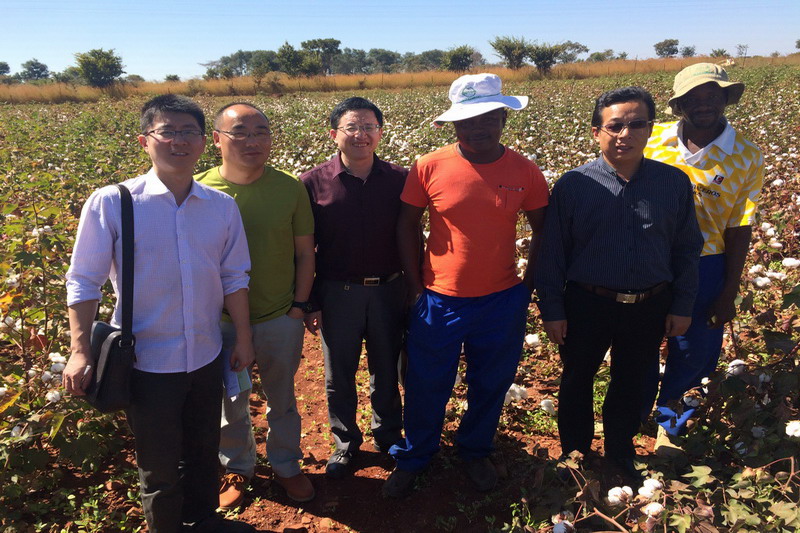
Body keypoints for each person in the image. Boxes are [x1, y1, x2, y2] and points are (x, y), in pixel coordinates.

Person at [63, 95, 255, 533]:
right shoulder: (114, 202)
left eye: (189, 132)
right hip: (146, 362)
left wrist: (243, 338)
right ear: (145, 140)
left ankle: (203, 521)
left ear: (204, 141)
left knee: (203, 449)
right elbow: (84, 281)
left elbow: (234, 277)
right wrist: (79, 350)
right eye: (167, 131)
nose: (179, 141)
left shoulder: (221, 206)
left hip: (205, 354)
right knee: (159, 464)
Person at [385, 73, 549, 498]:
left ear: (504, 118)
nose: (478, 128)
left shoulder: (525, 170)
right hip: (439, 299)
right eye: (467, 120)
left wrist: (526, 287)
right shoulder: (429, 165)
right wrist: (415, 285)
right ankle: (416, 455)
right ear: (454, 124)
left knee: (491, 381)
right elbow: (406, 224)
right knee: (425, 382)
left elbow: (543, 230)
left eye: (488, 118)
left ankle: (475, 450)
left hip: (501, 299)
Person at [535, 86, 703, 479]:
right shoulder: (573, 185)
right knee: (577, 379)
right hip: (587, 302)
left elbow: (686, 249)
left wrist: (682, 305)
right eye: (615, 126)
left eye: (637, 124)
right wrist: (552, 309)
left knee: (631, 380)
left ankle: (619, 450)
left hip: (649, 304)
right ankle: (575, 452)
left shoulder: (673, 183)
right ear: (597, 132)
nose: (625, 134)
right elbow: (553, 253)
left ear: (650, 129)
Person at [195, 102, 316, 506]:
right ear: (217, 139)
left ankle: (286, 464)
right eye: (240, 132)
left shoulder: (289, 187)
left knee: (283, 396)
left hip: (279, 315)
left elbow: (305, 252)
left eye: (261, 132)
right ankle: (237, 466)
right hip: (221, 321)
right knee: (231, 399)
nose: (252, 141)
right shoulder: (198, 190)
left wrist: (298, 307)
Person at [643, 64, 764, 451]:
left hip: (706, 263)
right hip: (646, 256)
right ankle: (629, 414)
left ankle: (670, 426)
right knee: (638, 340)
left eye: (713, 96)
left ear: (726, 99)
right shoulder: (652, 138)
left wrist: (728, 290)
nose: (705, 105)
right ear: (679, 105)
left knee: (695, 351)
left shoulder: (746, 155)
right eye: (693, 98)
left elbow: (740, 227)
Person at [299, 97, 407, 479]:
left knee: (387, 368)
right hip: (337, 293)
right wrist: (310, 301)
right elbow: (304, 248)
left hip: (389, 290)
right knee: (339, 374)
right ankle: (345, 442)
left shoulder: (401, 179)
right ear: (334, 134)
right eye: (352, 127)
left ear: (380, 132)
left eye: (369, 127)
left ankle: (388, 436)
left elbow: (412, 236)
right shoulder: (312, 183)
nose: (361, 134)